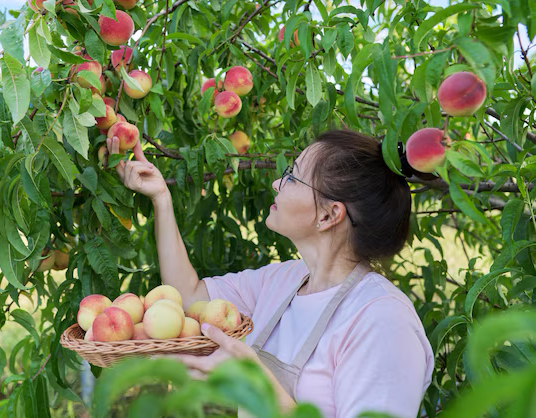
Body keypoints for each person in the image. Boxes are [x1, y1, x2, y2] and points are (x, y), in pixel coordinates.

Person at [110, 130, 434, 418]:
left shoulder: (382, 321)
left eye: (292, 176)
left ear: (328, 215)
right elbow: (189, 297)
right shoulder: (286, 281)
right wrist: (161, 199)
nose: (277, 182)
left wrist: (257, 384)